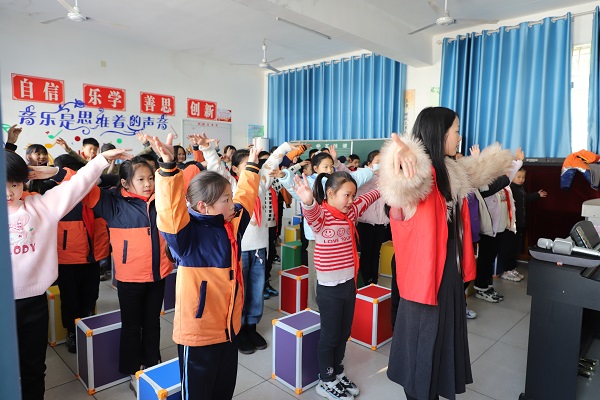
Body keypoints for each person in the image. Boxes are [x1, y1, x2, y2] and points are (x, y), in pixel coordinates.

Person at [379, 106, 514, 400]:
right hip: (425, 280)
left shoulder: (450, 171)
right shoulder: (419, 176)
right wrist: (398, 163)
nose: (459, 136)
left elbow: (479, 171)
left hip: (449, 277)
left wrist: (503, 159)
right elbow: (398, 191)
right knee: (421, 355)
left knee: (442, 350)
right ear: (440, 134)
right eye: (455, 130)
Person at [5, 147, 130, 400]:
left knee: (33, 367)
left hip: (33, 304)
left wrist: (101, 160)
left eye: (15, 184)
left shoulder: (40, 207)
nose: (9, 192)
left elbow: (78, 186)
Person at [153, 134, 261, 400]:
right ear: (203, 206)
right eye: (226, 199)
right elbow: (168, 211)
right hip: (198, 335)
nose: (232, 203)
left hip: (229, 329)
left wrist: (252, 167)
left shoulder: (231, 224)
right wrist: (168, 168)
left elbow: (246, 196)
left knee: (223, 390)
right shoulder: (184, 237)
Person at [81, 155, 174, 393]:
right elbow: (80, 183)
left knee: (152, 323)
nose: (148, 184)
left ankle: (152, 364)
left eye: (151, 178)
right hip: (130, 278)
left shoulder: (161, 200)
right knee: (132, 325)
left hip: (158, 274)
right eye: (140, 179)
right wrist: (102, 162)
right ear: (124, 183)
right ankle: (133, 370)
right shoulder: (111, 203)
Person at [293, 171, 380, 400]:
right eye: (346, 195)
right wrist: (308, 200)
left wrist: (386, 184)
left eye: (353, 195)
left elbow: (369, 197)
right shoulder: (321, 215)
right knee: (330, 336)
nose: (351, 200)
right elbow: (311, 214)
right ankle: (326, 379)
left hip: (348, 285)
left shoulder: (350, 211)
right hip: (329, 289)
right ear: (330, 194)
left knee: (343, 333)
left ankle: (337, 370)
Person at [277, 147, 374, 311]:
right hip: (316, 239)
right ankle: (315, 309)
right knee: (317, 278)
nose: (330, 170)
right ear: (315, 169)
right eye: (326, 167)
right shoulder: (311, 186)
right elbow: (296, 189)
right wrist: (285, 176)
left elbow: (364, 178)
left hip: (337, 241)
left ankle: (331, 309)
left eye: (332, 166)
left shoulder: (338, 184)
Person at [474, 149, 523, 301]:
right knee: (485, 259)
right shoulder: (487, 181)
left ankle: (487, 286)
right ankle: (481, 287)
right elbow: (489, 185)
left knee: (490, 258)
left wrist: (518, 161)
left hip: (500, 229)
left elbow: (510, 176)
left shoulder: (504, 182)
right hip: (489, 230)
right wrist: (477, 160)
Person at [501, 168, 547, 278]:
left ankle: (512, 268)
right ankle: (506, 270)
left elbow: (525, 198)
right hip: (511, 225)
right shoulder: (509, 189)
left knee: (516, 247)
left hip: (520, 224)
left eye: (523, 177)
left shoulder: (520, 188)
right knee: (509, 247)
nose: (521, 179)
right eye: (519, 177)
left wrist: (537, 195)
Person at [356, 149, 390, 285]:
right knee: (366, 253)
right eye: (378, 162)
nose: (381, 164)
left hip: (382, 223)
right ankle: (365, 281)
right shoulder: (363, 176)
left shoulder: (387, 178)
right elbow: (347, 174)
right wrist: (370, 173)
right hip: (366, 223)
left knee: (376, 253)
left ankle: (373, 281)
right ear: (370, 163)